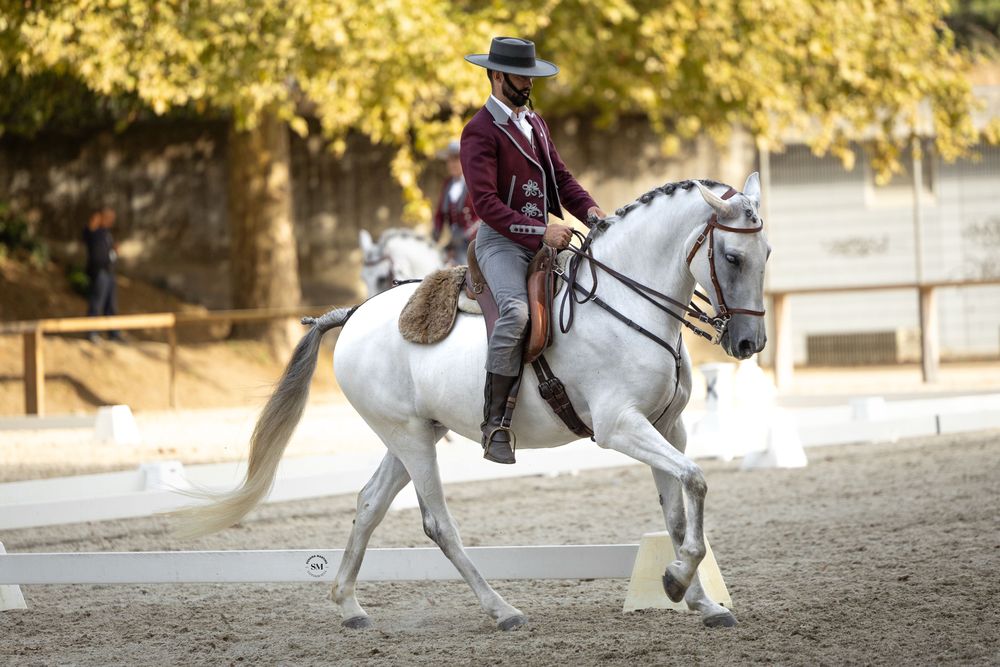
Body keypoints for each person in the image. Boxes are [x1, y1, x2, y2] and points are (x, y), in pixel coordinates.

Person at [461, 37, 605, 464]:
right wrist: (541, 230)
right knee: (517, 313)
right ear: (498, 75)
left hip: (545, 238)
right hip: (502, 242)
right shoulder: (478, 131)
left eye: (530, 76)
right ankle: (495, 424)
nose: (528, 83)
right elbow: (485, 204)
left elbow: (560, 178)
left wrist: (592, 212)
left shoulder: (535, 123)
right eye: (521, 76)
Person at [432, 140, 480, 265]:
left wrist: (466, 234)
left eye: (456, 160)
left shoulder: (474, 182)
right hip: (453, 241)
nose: (452, 164)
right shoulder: (447, 184)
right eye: (449, 160)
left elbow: (481, 216)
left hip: (473, 241)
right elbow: (439, 214)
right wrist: (436, 231)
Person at [82, 207, 122, 342]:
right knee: (96, 303)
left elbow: (109, 254)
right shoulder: (94, 232)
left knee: (111, 305)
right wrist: (93, 223)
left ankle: (114, 334)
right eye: (109, 218)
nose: (111, 221)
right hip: (99, 273)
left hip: (109, 272)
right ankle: (92, 333)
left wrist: (115, 252)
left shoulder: (106, 234)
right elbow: (87, 234)